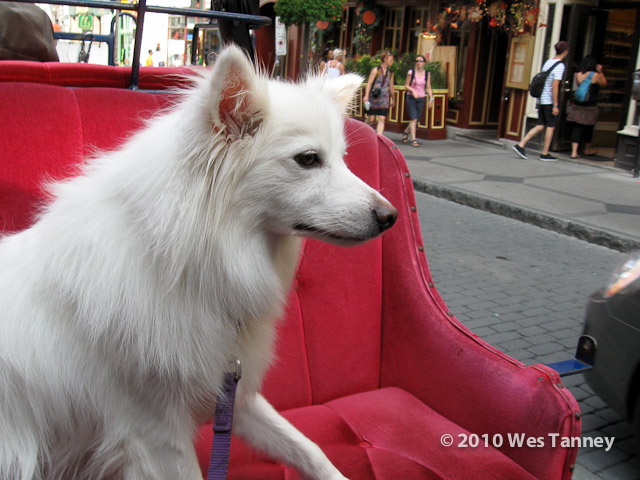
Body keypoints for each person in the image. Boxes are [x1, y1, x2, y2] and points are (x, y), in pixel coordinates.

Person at [513, 41, 570, 161]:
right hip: (549, 100)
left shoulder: (548, 62)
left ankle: (521, 144)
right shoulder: (560, 66)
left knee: (540, 125)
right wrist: (555, 104)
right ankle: (545, 153)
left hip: (541, 99)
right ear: (565, 51)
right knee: (550, 126)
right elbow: (555, 86)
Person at [568, 55, 607, 159]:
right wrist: (600, 71)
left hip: (578, 104)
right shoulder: (595, 75)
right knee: (589, 128)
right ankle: (587, 149)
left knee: (577, 127)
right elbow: (604, 84)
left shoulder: (578, 74)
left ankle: (574, 152)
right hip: (590, 105)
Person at [402, 54, 434, 147]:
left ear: (424, 63)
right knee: (414, 118)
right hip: (411, 97)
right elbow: (406, 85)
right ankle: (413, 139)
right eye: (417, 61)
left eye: (420, 61)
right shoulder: (411, 72)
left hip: (421, 97)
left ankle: (406, 131)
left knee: (417, 119)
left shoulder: (427, 74)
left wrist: (431, 99)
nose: (418, 63)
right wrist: (413, 91)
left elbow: (428, 87)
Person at [363, 52, 395, 135]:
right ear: (385, 59)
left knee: (382, 118)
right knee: (371, 119)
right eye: (391, 60)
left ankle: (379, 136)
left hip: (384, 99)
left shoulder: (390, 72)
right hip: (374, 97)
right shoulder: (376, 70)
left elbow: (391, 86)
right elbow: (369, 83)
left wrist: (393, 99)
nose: (392, 62)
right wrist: (366, 96)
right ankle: (362, 129)